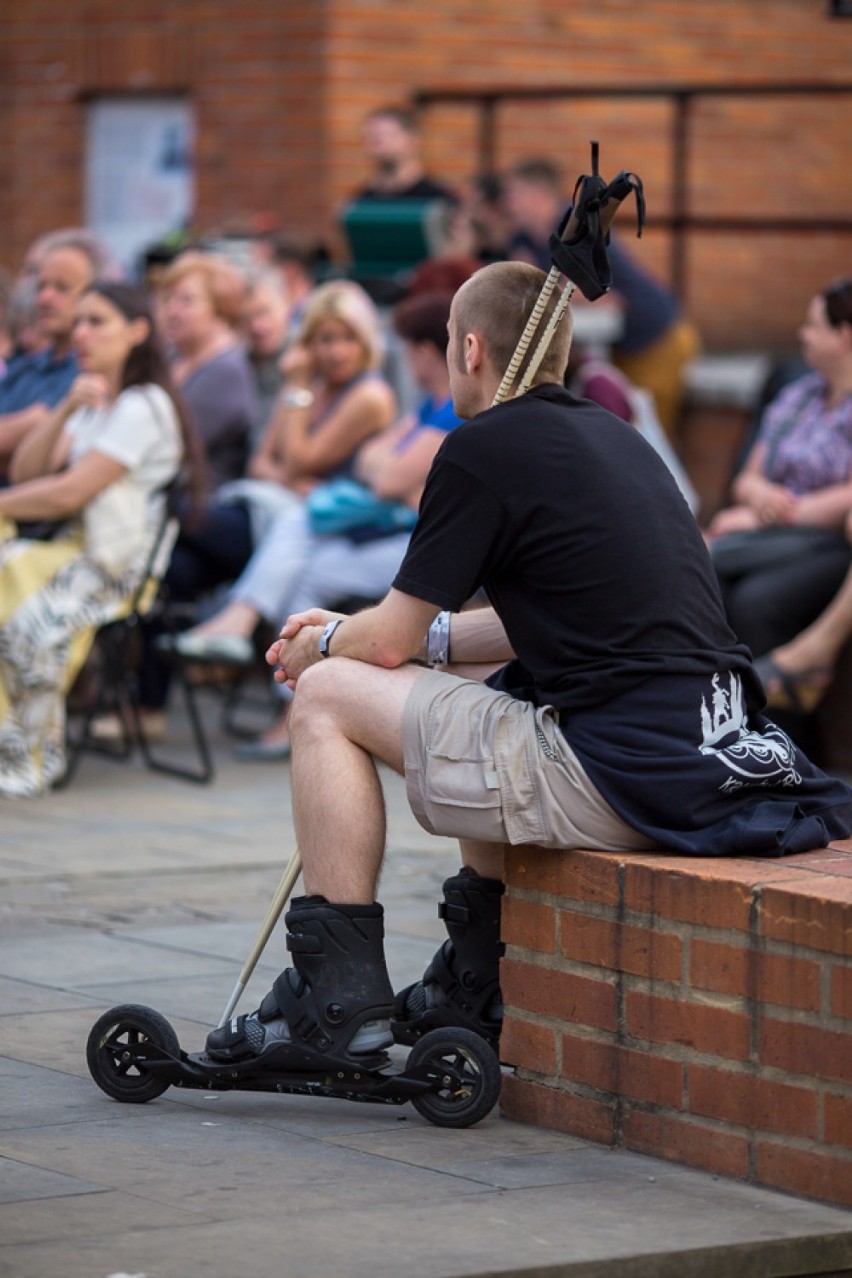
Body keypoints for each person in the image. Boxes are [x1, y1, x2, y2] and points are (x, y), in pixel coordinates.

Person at [201, 260, 852, 1073]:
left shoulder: (482, 447)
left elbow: (386, 644)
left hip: (620, 775)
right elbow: (518, 624)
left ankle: (335, 1007)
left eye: (445, 344)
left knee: (329, 698)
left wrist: (323, 645)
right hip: (710, 756)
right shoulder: (620, 439)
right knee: (488, 695)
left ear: (471, 349)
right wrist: (388, 636)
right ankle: (472, 982)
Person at [166, 291, 461, 761]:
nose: (332, 351)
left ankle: (254, 645)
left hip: (415, 546)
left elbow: (377, 474)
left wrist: (386, 469)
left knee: (295, 531)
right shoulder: (428, 405)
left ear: (426, 351)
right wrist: (385, 469)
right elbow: (276, 462)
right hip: (378, 532)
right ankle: (295, 700)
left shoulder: (425, 405)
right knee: (298, 554)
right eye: (323, 339)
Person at [136, 279, 397, 726]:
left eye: (347, 338)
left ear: (366, 341)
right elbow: (261, 464)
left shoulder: (369, 395)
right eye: (324, 339)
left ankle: (230, 632)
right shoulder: (309, 387)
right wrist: (292, 471)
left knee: (173, 514)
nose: (335, 351)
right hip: (277, 516)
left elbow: (299, 458)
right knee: (174, 567)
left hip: (327, 532)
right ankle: (149, 708)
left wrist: (295, 390)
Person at [0, 282, 199, 798]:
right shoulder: (94, 399)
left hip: (119, 567)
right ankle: (14, 742)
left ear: (137, 331)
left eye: (97, 321)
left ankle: (33, 758)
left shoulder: (144, 404)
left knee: (24, 621)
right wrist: (65, 409)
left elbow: (69, 491)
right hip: (74, 551)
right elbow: (27, 473)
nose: (81, 333)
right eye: (79, 321)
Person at [706, 278, 852, 662]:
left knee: (758, 602)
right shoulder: (798, 395)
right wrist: (761, 496)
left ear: (844, 336)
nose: (802, 335)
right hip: (773, 532)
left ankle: (773, 716)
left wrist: (765, 518)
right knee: (705, 579)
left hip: (829, 540)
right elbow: (748, 477)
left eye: (813, 325)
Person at [504, 157, 700, 434]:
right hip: (615, 346)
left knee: (643, 438)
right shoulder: (525, 238)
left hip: (656, 340)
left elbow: (596, 294)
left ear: (539, 194)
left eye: (515, 194)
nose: (509, 204)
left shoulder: (579, 224)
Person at [0, 232, 112, 478]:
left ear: (96, 294)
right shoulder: (25, 365)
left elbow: (35, 467)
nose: (44, 298)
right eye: (41, 286)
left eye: (62, 288)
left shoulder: (93, 371)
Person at [351, 106, 456, 204]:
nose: (375, 141)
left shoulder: (436, 200)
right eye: (369, 136)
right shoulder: (361, 203)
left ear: (412, 140)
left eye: (384, 134)